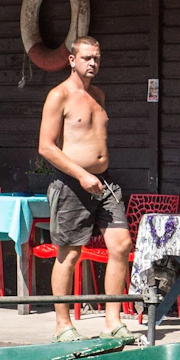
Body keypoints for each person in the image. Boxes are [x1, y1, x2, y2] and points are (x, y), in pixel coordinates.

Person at [38, 36, 133, 340]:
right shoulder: (59, 96)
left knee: (121, 246)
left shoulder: (99, 96)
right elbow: (46, 147)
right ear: (72, 60)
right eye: (87, 58)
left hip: (104, 183)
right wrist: (80, 174)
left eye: (97, 58)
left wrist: (93, 174)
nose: (93, 63)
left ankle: (112, 320)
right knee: (69, 254)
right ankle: (63, 325)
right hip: (71, 184)